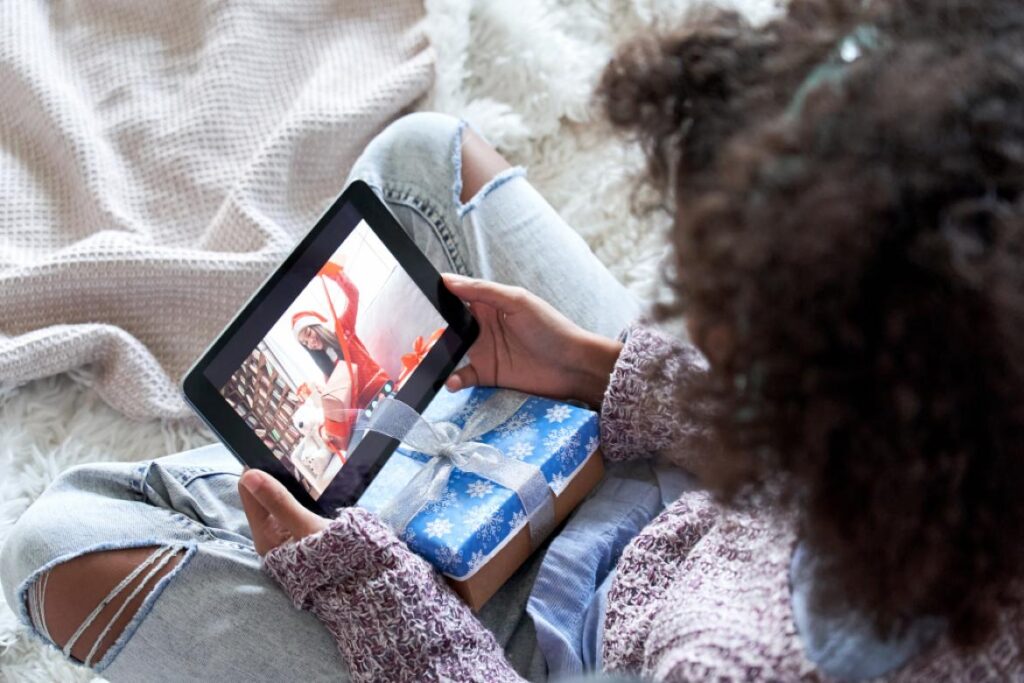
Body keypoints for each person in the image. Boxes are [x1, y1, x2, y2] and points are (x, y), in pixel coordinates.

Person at [2, 0, 1023, 681]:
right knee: (423, 160)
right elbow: (793, 456)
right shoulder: (969, 383)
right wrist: (590, 366)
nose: (681, 282)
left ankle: (324, 480)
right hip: (694, 508)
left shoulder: (724, 658)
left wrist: (364, 582)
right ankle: (374, 450)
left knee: (59, 537)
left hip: (540, 642)